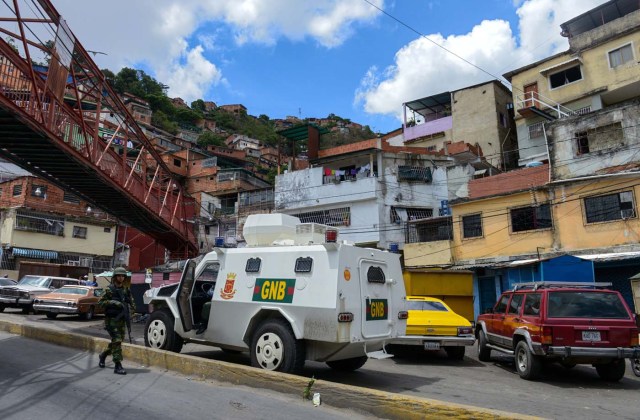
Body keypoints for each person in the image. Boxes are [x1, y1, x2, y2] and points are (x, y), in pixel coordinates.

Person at [98, 266, 135, 375]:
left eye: (123, 276)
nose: (121, 278)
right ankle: (117, 365)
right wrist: (113, 302)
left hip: (122, 319)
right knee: (117, 340)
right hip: (111, 320)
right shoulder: (109, 289)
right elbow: (100, 302)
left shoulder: (126, 290)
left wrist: (132, 312)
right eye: (119, 276)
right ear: (115, 277)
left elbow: (132, 303)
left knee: (117, 341)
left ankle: (103, 355)